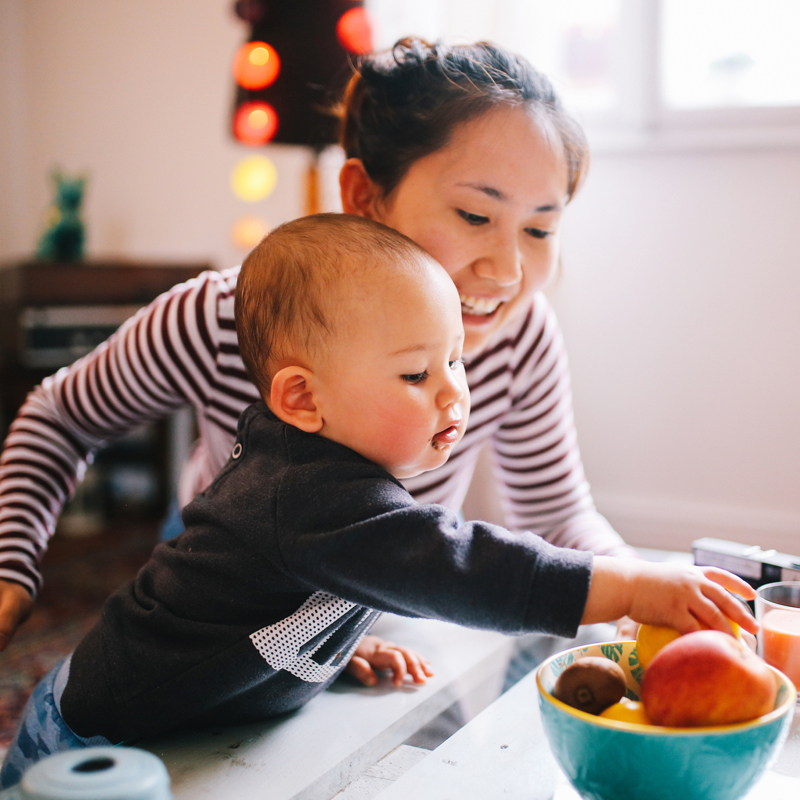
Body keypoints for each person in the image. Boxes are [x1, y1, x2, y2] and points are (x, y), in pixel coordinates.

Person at [0, 214, 758, 787]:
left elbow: (262, 589)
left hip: (197, 714)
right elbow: (461, 566)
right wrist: (626, 586)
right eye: (414, 375)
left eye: (454, 361)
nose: (452, 394)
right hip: (92, 742)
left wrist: (326, 644)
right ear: (302, 398)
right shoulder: (308, 494)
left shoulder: (325, 473)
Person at [0, 37, 634, 650]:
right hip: (226, 588)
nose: (507, 271)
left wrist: (642, 593)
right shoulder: (218, 316)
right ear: (363, 195)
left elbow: (556, 517)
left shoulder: (518, 335)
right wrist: (12, 569)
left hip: (382, 604)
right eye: (474, 216)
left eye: (540, 229)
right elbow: (60, 417)